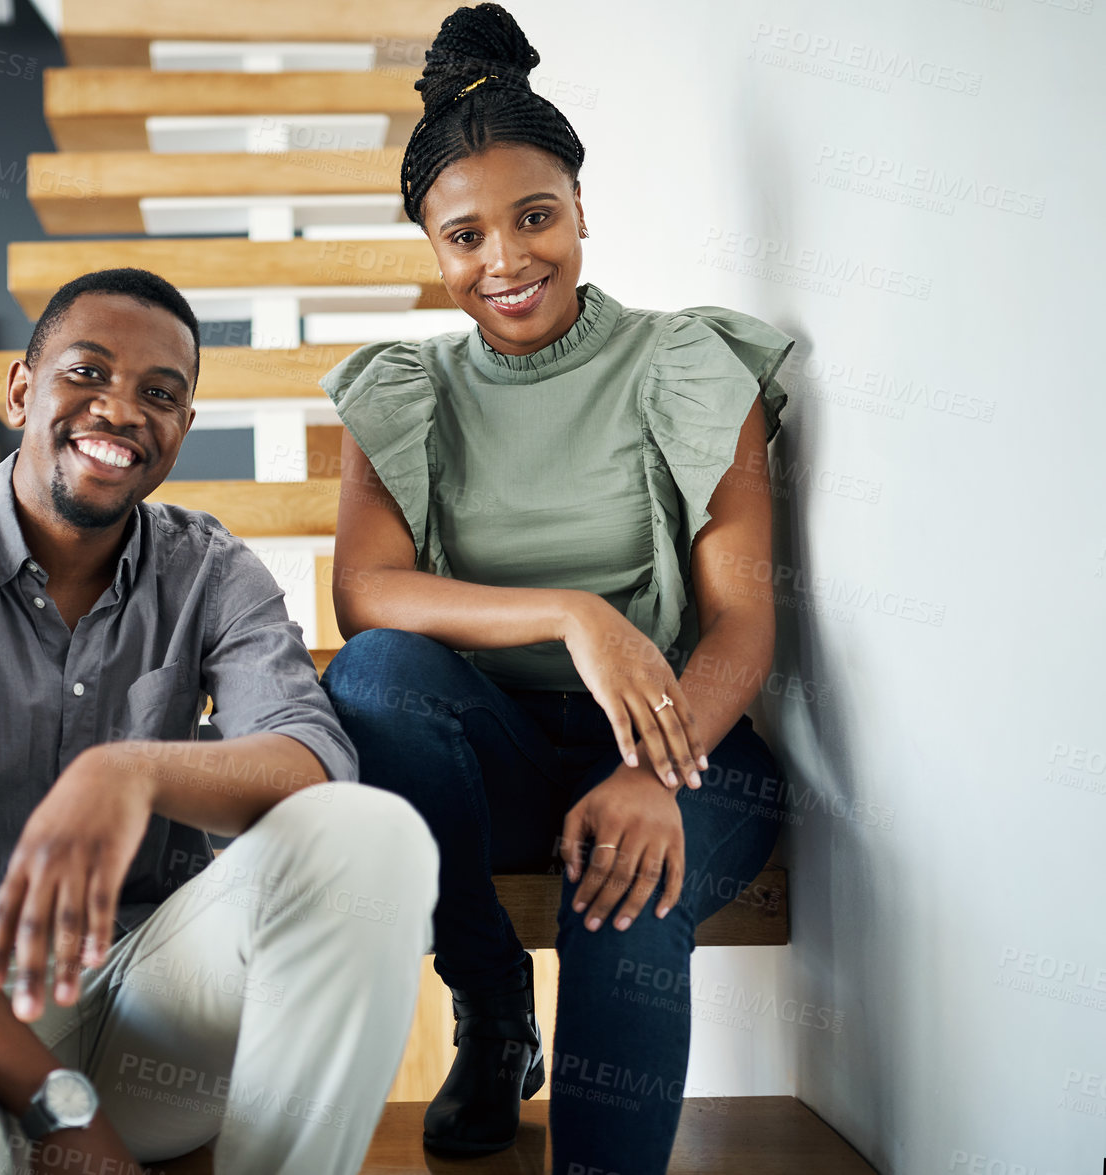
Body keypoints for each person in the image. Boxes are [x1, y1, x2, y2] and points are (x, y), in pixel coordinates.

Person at [0, 267, 439, 1175]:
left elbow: (313, 764)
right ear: (22, 390)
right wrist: (65, 1112)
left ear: (182, 429)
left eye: (160, 394)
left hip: (153, 1006)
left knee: (372, 833)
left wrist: (126, 771)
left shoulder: (210, 568)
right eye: (87, 373)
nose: (120, 409)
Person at [316, 6, 797, 1172]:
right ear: (432, 249)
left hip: (688, 745)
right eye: (463, 235)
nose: (505, 261)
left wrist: (648, 767)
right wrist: (569, 612)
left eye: (535, 218)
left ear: (580, 210)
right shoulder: (404, 392)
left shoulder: (684, 365)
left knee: (626, 893)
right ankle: (489, 1007)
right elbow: (367, 596)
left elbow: (741, 620)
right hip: (490, 762)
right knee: (376, 674)